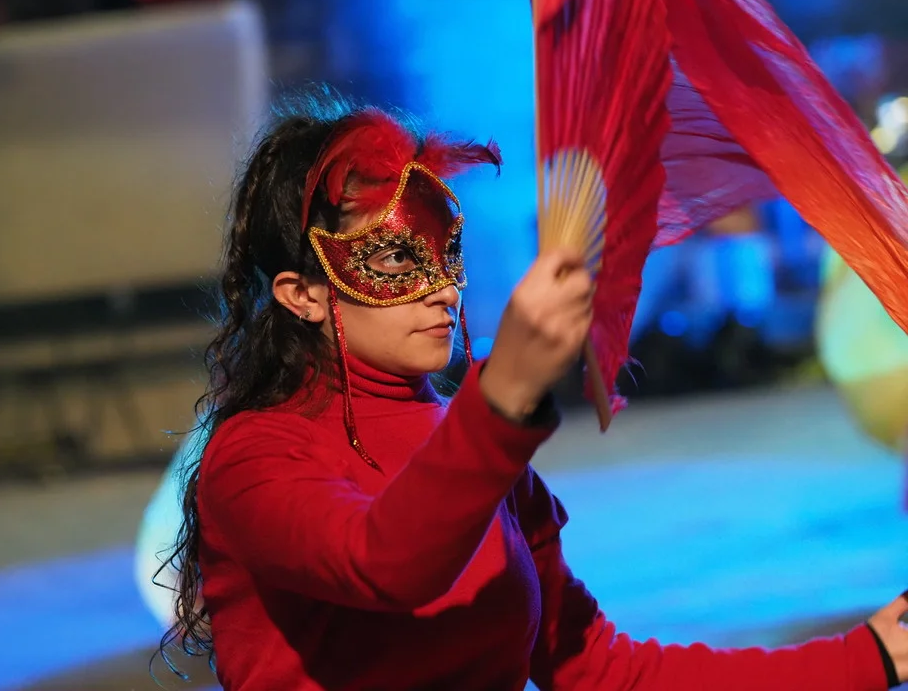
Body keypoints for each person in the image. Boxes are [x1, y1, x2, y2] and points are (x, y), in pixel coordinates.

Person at [156, 92, 908, 690]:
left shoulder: (475, 447)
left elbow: (602, 671)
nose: (443, 290)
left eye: (447, 254)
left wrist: (864, 658)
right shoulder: (253, 459)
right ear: (303, 294)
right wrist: (502, 402)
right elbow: (384, 565)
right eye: (394, 260)